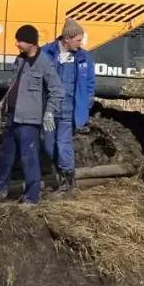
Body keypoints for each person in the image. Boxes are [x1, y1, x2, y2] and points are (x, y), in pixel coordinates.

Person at [0, 25, 63, 206]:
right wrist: (2, 105)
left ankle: (32, 197)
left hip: (29, 120)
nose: (17, 44)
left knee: (28, 158)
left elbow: (57, 90)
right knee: (5, 156)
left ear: (31, 42)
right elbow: (14, 85)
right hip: (13, 116)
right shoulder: (20, 60)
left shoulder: (44, 63)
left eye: (20, 41)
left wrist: (49, 113)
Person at [41, 18, 96, 194]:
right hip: (48, 109)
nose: (81, 44)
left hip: (69, 110)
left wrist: (87, 103)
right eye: (78, 40)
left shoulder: (83, 57)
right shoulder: (46, 53)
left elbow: (90, 83)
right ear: (67, 39)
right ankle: (59, 176)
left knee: (63, 143)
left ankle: (68, 183)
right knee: (48, 145)